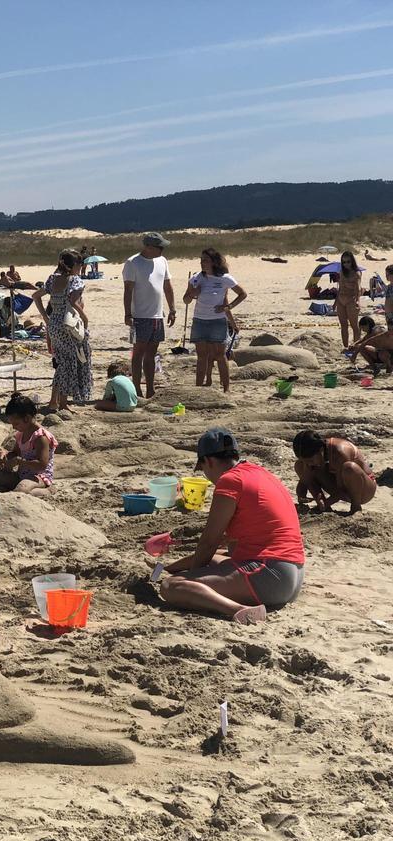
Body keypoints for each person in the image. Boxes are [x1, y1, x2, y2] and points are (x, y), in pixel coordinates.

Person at [157, 428, 305, 625]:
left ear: (208, 461)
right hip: (293, 574)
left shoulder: (229, 480)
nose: (207, 477)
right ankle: (162, 569)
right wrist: (171, 568)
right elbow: (222, 549)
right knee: (219, 559)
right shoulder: (260, 473)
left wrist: (191, 578)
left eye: (203, 469)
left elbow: (208, 542)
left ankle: (240, 610)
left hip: (269, 576)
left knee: (171, 586)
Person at [32, 248, 91, 410]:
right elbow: (73, 301)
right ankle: (62, 403)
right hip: (69, 325)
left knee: (62, 364)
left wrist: (46, 317)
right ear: (74, 265)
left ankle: (54, 401)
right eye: (80, 264)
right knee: (68, 364)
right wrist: (84, 317)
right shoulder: (75, 280)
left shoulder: (52, 279)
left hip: (55, 324)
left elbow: (36, 296)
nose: (81, 267)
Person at [184, 248, 247, 393]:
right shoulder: (196, 278)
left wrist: (228, 307)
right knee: (202, 356)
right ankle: (198, 390)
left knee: (220, 356)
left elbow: (242, 294)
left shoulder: (225, 278)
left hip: (217, 321)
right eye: (201, 260)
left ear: (213, 262)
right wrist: (193, 293)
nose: (202, 263)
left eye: (205, 260)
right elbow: (186, 300)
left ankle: (226, 389)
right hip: (199, 320)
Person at [123, 233, 176, 398]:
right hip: (140, 316)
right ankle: (137, 388)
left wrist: (172, 309)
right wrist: (128, 314)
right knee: (138, 353)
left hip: (157, 315)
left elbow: (167, 286)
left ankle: (150, 388)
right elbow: (128, 290)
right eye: (159, 247)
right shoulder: (133, 263)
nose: (162, 250)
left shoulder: (162, 261)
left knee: (152, 353)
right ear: (148, 247)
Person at [292, 430, 377, 515]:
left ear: (320, 450)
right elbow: (307, 480)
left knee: (349, 468)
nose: (309, 464)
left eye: (311, 460)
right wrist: (317, 498)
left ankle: (356, 507)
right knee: (300, 465)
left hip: (363, 489)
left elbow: (341, 490)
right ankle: (325, 508)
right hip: (337, 484)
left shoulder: (339, 451)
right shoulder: (315, 458)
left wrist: (325, 504)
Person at [0, 392, 57, 493]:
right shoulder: (21, 434)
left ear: (27, 418)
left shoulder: (40, 437)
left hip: (39, 476)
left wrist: (20, 461)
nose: (14, 427)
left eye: (16, 423)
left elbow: (42, 465)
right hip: (22, 474)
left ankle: (48, 490)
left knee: (22, 488)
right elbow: (16, 453)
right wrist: (5, 455)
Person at [336, 251, 363, 348]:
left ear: (352, 261)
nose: (346, 264)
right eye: (344, 262)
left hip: (351, 300)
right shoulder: (342, 272)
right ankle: (345, 346)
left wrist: (358, 301)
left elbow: (358, 288)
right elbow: (340, 288)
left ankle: (356, 346)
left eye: (348, 262)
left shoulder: (356, 273)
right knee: (343, 325)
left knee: (354, 326)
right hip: (341, 300)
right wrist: (335, 302)